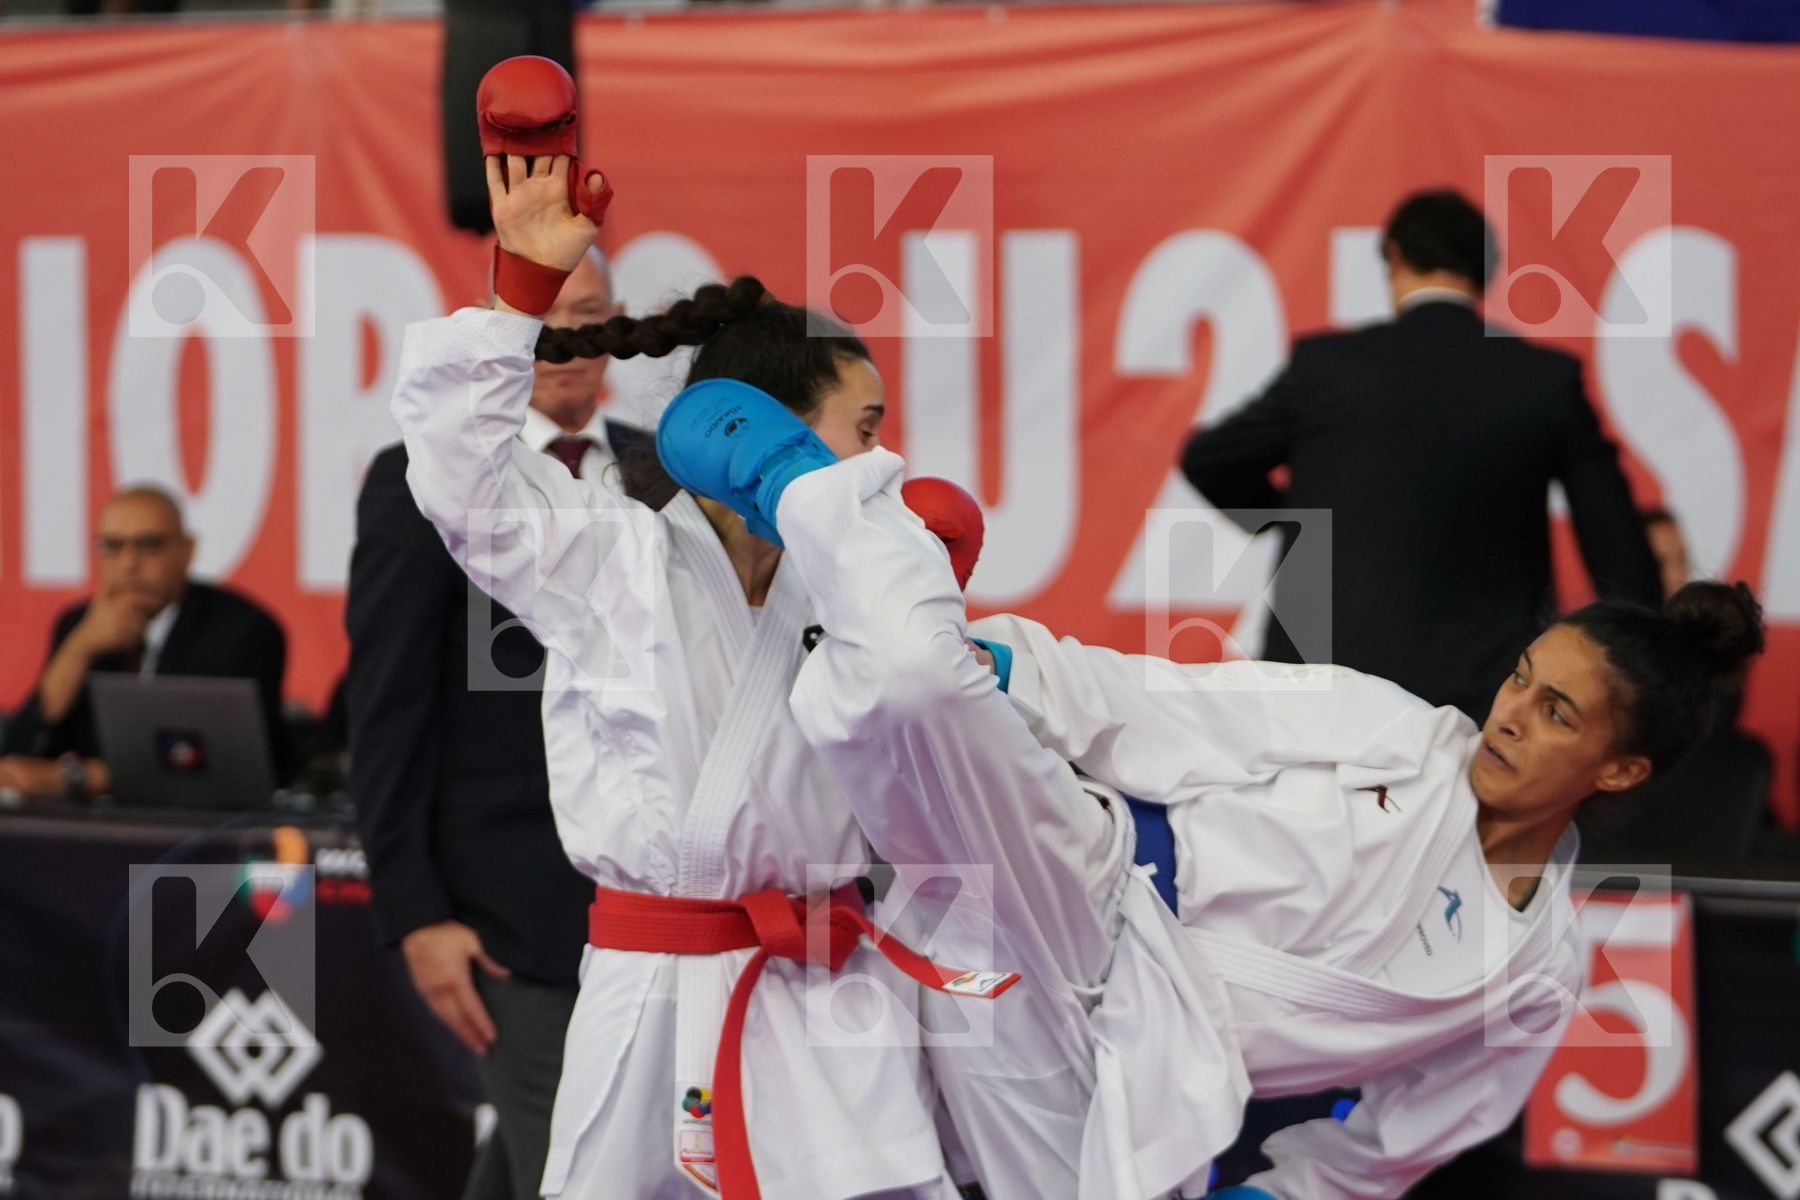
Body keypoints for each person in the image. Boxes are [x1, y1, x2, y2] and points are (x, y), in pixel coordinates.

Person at [654, 392, 1765, 1199]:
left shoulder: (1532, 977)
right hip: (1093, 884)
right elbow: (1177, 704)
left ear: (1622, 770)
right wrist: (1019, 678)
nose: (1514, 714)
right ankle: (808, 485)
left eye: (1560, 714)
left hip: (1143, 1074)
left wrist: (1278, 1198)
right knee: (921, 680)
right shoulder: (1399, 733)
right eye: (1524, 678)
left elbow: (1403, 1139)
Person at [390, 152, 970, 1200]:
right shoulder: (612, 560)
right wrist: (520, 281)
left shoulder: (868, 583)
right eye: (867, 429)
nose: (884, 461)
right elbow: (455, 477)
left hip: (829, 994)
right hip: (657, 992)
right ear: (766, 430)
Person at [346, 245, 635, 1200]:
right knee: (581, 1163)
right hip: (506, 913)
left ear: (620, 326)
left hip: (648, 902)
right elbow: (386, 708)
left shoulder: (664, 475)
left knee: (542, 1163)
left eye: (587, 315)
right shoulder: (420, 479)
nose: (564, 340)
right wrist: (416, 911)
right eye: (543, 317)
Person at [1181, 188, 1663, 725]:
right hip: (1486, 694)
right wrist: (1652, 665)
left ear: (1394, 257)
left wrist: (1284, 514)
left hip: (1317, 686)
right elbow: (1615, 546)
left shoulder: (1329, 368)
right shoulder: (1542, 382)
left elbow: (1210, 459)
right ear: (1487, 272)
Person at [1, 485, 286, 798]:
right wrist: (78, 650)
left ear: (186, 550)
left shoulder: (242, 631)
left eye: (148, 545)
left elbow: (227, 763)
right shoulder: (78, 624)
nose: (128, 564)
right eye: (112, 546)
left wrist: (83, 777)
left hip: (196, 827)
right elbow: (19, 755)